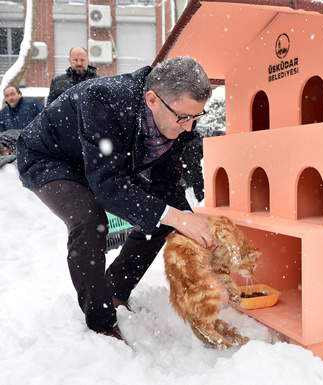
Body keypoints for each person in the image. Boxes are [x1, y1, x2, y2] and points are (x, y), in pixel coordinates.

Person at [17, 56, 217, 340]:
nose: (189, 127)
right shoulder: (104, 99)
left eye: (197, 117)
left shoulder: (179, 120)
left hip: (103, 164)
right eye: (184, 117)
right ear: (152, 99)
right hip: (51, 159)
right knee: (89, 220)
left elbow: (166, 187)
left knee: (162, 217)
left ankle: (115, 291)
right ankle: (101, 323)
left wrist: (190, 223)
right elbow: (107, 186)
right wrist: (175, 217)